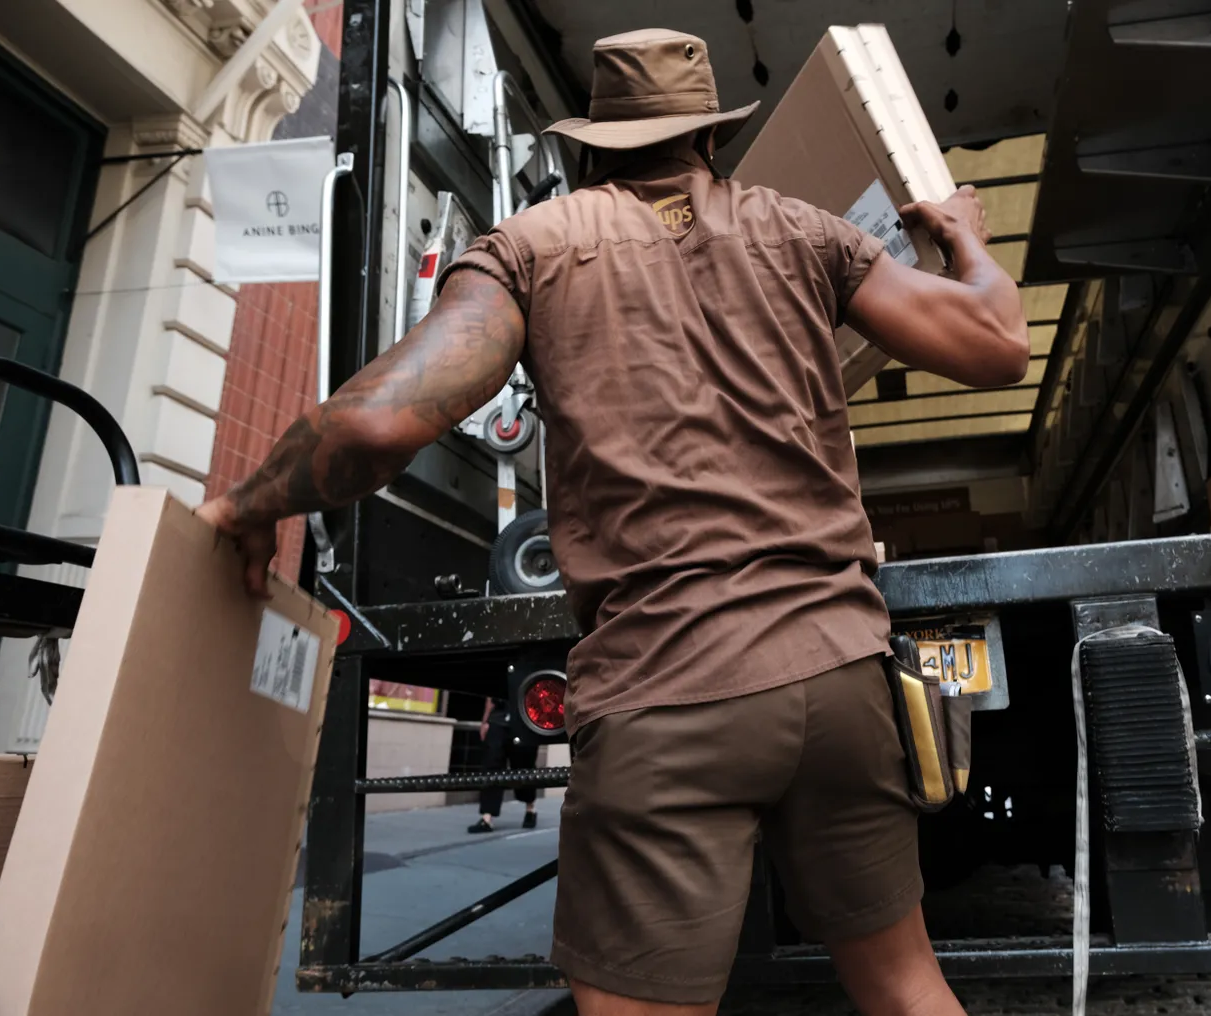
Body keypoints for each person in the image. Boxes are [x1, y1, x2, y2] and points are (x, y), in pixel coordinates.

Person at [197, 27, 1027, 1016]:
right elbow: (996, 343)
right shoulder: (807, 235)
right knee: (901, 983)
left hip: (669, 685)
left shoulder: (531, 249)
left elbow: (378, 422)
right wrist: (964, 236)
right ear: (710, 142)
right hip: (841, 675)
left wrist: (249, 504)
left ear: (589, 147)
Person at [468, 696, 539, 833]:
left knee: (524, 765)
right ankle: (487, 817)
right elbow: (490, 696)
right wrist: (485, 721)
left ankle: (530, 808)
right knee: (491, 765)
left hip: (525, 718)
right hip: (498, 720)